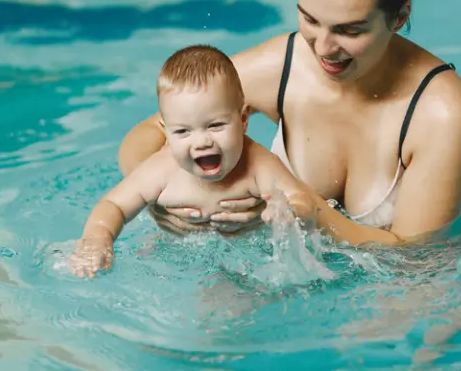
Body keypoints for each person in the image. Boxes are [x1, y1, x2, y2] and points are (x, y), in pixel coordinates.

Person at [118, 0, 461, 247]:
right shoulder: (282, 65)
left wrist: (308, 209)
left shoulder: (439, 109)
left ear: (399, 16)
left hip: (414, 270)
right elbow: (149, 134)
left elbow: (417, 255)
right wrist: (164, 200)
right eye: (310, 20)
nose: (324, 48)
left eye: (349, 30)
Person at [69, 45, 320, 278]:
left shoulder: (259, 165)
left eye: (215, 125)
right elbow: (114, 205)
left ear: (243, 120)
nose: (201, 142)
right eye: (182, 132)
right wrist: (98, 238)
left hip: (248, 260)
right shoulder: (163, 168)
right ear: (166, 132)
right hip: (174, 249)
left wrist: (290, 212)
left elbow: (303, 200)